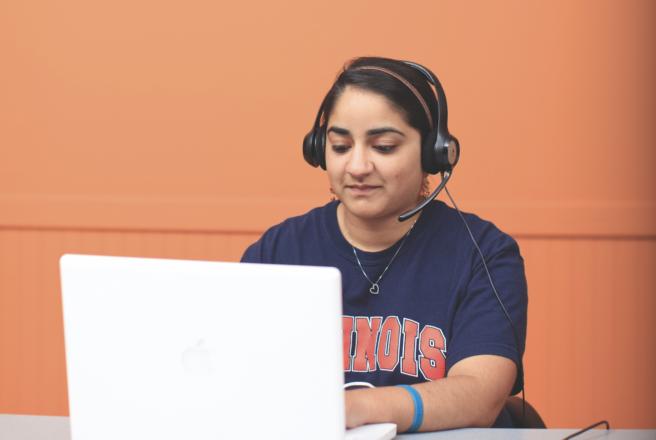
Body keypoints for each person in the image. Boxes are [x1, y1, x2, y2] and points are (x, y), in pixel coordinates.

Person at [241, 56, 527, 432]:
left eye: (384, 147)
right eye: (341, 147)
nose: (357, 166)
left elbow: (480, 394)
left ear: (432, 154)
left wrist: (355, 408)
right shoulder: (276, 252)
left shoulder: (484, 253)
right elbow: (235, 377)